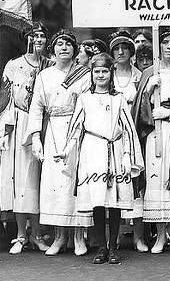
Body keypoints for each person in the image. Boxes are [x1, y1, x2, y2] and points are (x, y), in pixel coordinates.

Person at [54, 53, 144, 264]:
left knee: (113, 203)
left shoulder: (118, 98)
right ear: (92, 74)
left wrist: (128, 155)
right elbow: (76, 128)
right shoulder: (85, 98)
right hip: (92, 151)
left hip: (114, 150)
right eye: (97, 72)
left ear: (110, 73)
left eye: (105, 71)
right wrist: (66, 151)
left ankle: (113, 247)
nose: (101, 75)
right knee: (97, 202)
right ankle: (101, 247)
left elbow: (129, 130)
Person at [26, 29, 93, 256]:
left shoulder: (84, 74)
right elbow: (36, 107)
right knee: (55, 185)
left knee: (76, 183)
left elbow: (88, 105)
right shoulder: (44, 76)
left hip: (77, 131)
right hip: (53, 130)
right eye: (59, 44)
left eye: (68, 44)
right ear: (52, 49)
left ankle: (78, 237)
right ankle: (59, 237)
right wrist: (36, 137)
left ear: (74, 49)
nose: (63, 48)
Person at [131, 27, 170, 254]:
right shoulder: (149, 73)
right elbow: (138, 109)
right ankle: (160, 234)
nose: (168, 47)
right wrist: (148, 91)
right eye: (164, 43)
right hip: (154, 132)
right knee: (156, 180)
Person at [0, 22, 53, 254]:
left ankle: (39, 233)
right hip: (21, 123)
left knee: (41, 180)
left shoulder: (51, 65)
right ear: (27, 39)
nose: (38, 40)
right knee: (22, 179)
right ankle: (22, 234)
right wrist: (5, 129)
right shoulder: (14, 65)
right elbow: (6, 100)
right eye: (34, 36)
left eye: (42, 36)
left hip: (47, 124)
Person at [107, 30, 146, 252]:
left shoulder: (139, 76)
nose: (121, 52)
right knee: (113, 184)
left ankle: (139, 237)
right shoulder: (106, 75)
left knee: (136, 183)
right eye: (116, 49)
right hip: (111, 137)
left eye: (125, 48)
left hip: (134, 135)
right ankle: (115, 237)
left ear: (131, 52)